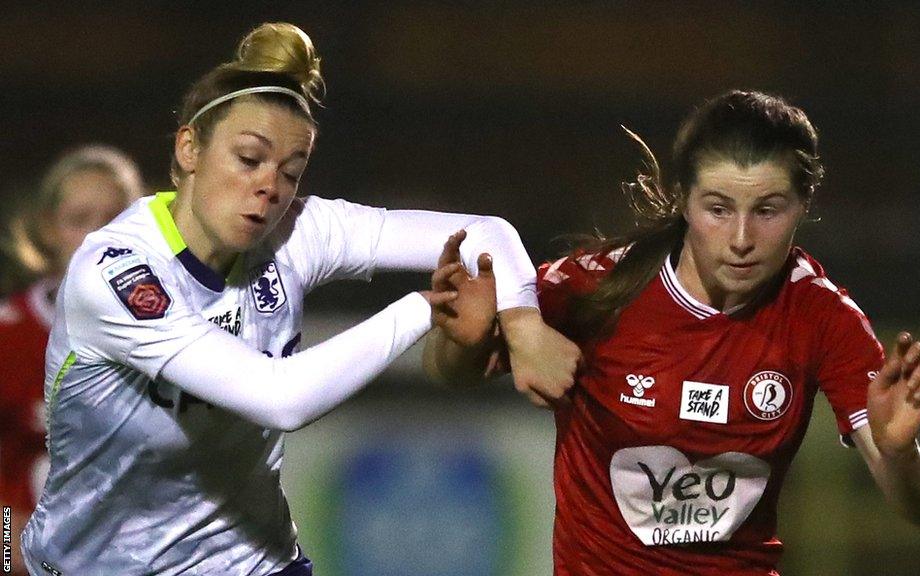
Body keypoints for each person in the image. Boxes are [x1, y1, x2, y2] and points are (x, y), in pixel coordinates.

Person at [20, 22, 579, 576]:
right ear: (190, 147)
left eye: (291, 170)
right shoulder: (118, 272)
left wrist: (524, 323)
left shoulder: (296, 229)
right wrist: (421, 308)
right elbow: (279, 399)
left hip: (252, 563)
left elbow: (486, 230)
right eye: (248, 158)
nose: (270, 186)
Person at [425, 90, 920, 575]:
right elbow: (450, 373)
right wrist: (460, 343)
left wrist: (902, 454)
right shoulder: (595, 287)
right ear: (683, 200)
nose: (741, 239)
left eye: (767, 210)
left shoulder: (822, 316)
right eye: (718, 209)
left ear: (804, 205)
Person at [0, 144, 146, 576]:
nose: (95, 238)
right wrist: (9, 547)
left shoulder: (171, 334)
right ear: (48, 229)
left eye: (112, 220)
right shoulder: (8, 335)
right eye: (78, 221)